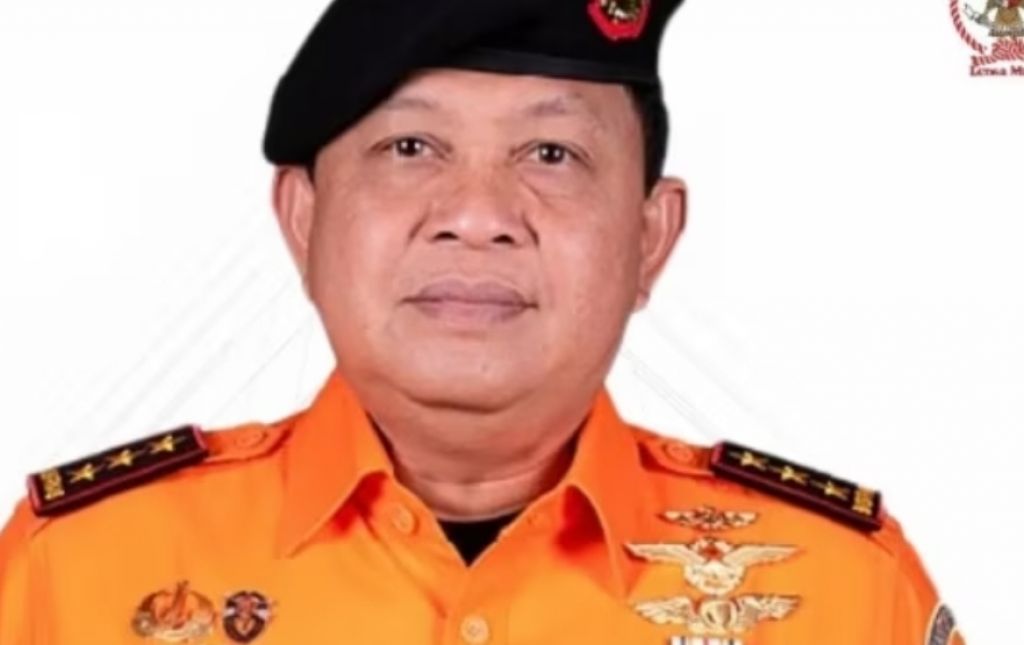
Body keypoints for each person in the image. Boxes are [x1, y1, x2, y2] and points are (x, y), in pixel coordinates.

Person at [0, 1, 964, 643]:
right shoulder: (75, 573)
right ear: (302, 221)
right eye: (410, 146)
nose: (476, 213)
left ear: (650, 238)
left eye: (551, 153)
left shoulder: (845, 591)